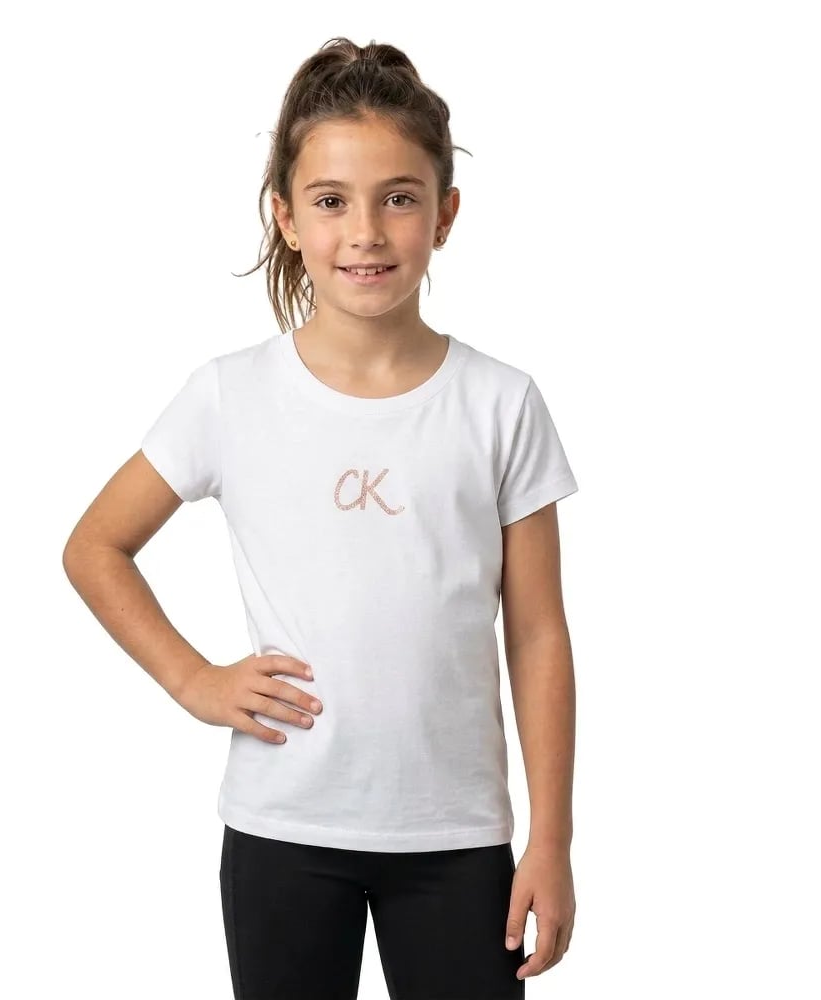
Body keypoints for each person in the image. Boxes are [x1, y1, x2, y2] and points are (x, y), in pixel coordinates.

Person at [63, 36, 579, 1000]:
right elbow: (96, 546)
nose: (366, 232)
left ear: (446, 213)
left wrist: (551, 837)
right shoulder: (230, 396)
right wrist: (193, 680)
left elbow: (539, 632)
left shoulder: (500, 403)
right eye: (332, 201)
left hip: (458, 836)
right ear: (287, 217)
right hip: (284, 829)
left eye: (399, 197)